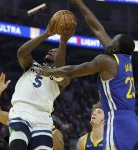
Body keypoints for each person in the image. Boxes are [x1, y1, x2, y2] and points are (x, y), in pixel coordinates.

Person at [41, 1, 138, 149]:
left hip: (117, 121)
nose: (110, 40)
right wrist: (79, 3)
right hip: (132, 120)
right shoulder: (124, 59)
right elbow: (98, 29)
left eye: (113, 39)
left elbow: (73, 71)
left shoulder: (106, 61)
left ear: (115, 46)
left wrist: (50, 72)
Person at [0, 19, 75, 150]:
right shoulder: (32, 65)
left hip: (43, 118)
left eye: (55, 51)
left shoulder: (63, 77)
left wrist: (63, 42)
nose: (51, 51)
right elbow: (21, 53)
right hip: (22, 110)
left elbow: (60, 70)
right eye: (52, 49)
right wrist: (46, 34)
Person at [0, 73, 64, 150]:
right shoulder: (19, 117)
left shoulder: (56, 132)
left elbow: (59, 147)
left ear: (51, 108)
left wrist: (48, 128)